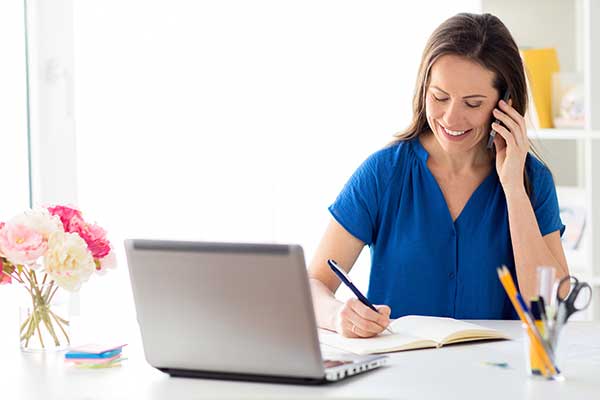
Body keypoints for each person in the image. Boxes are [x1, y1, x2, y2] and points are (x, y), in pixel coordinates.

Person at [308, 13, 570, 338]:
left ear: (505, 105)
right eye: (440, 97)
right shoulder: (384, 173)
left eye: (473, 104)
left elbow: (548, 304)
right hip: (401, 380)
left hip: (499, 380)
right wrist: (338, 317)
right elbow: (313, 284)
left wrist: (514, 188)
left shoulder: (532, 179)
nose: (451, 118)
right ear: (423, 90)